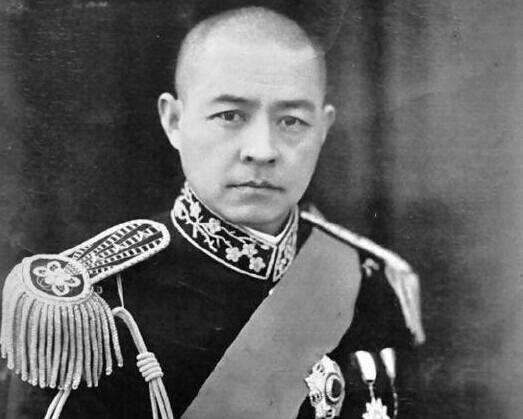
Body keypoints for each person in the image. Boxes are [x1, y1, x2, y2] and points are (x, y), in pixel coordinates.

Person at [0, 5, 424, 419]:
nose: (262, 150)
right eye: (230, 115)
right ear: (174, 121)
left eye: (292, 121)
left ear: (324, 128)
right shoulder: (91, 307)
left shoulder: (371, 281)